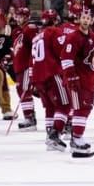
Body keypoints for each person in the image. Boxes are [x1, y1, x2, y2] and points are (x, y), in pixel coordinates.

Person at [60, 7, 94, 154]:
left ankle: (76, 136)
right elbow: (66, 58)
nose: (85, 20)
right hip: (77, 81)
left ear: (92, 20)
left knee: (86, 108)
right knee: (80, 109)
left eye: (88, 18)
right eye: (83, 17)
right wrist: (71, 76)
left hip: (89, 80)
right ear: (79, 19)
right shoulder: (73, 37)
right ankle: (76, 138)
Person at [31, 9, 71, 152]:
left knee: (50, 107)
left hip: (38, 77)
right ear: (55, 20)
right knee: (65, 105)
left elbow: (33, 60)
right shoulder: (54, 31)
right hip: (52, 74)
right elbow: (63, 52)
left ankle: (49, 137)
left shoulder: (36, 37)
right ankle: (55, 135)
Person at [11, 7, 39, 131]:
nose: (18, 19)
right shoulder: (17, 31)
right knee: (20, 90)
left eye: (21, 16)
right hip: (19, 66)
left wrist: (33, 65)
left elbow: (35, 47)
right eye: (17, 16)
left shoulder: (30, 29)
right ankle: (29, 116)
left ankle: (30, 118)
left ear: (27, 17)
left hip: (27, 66)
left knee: (24, 90)